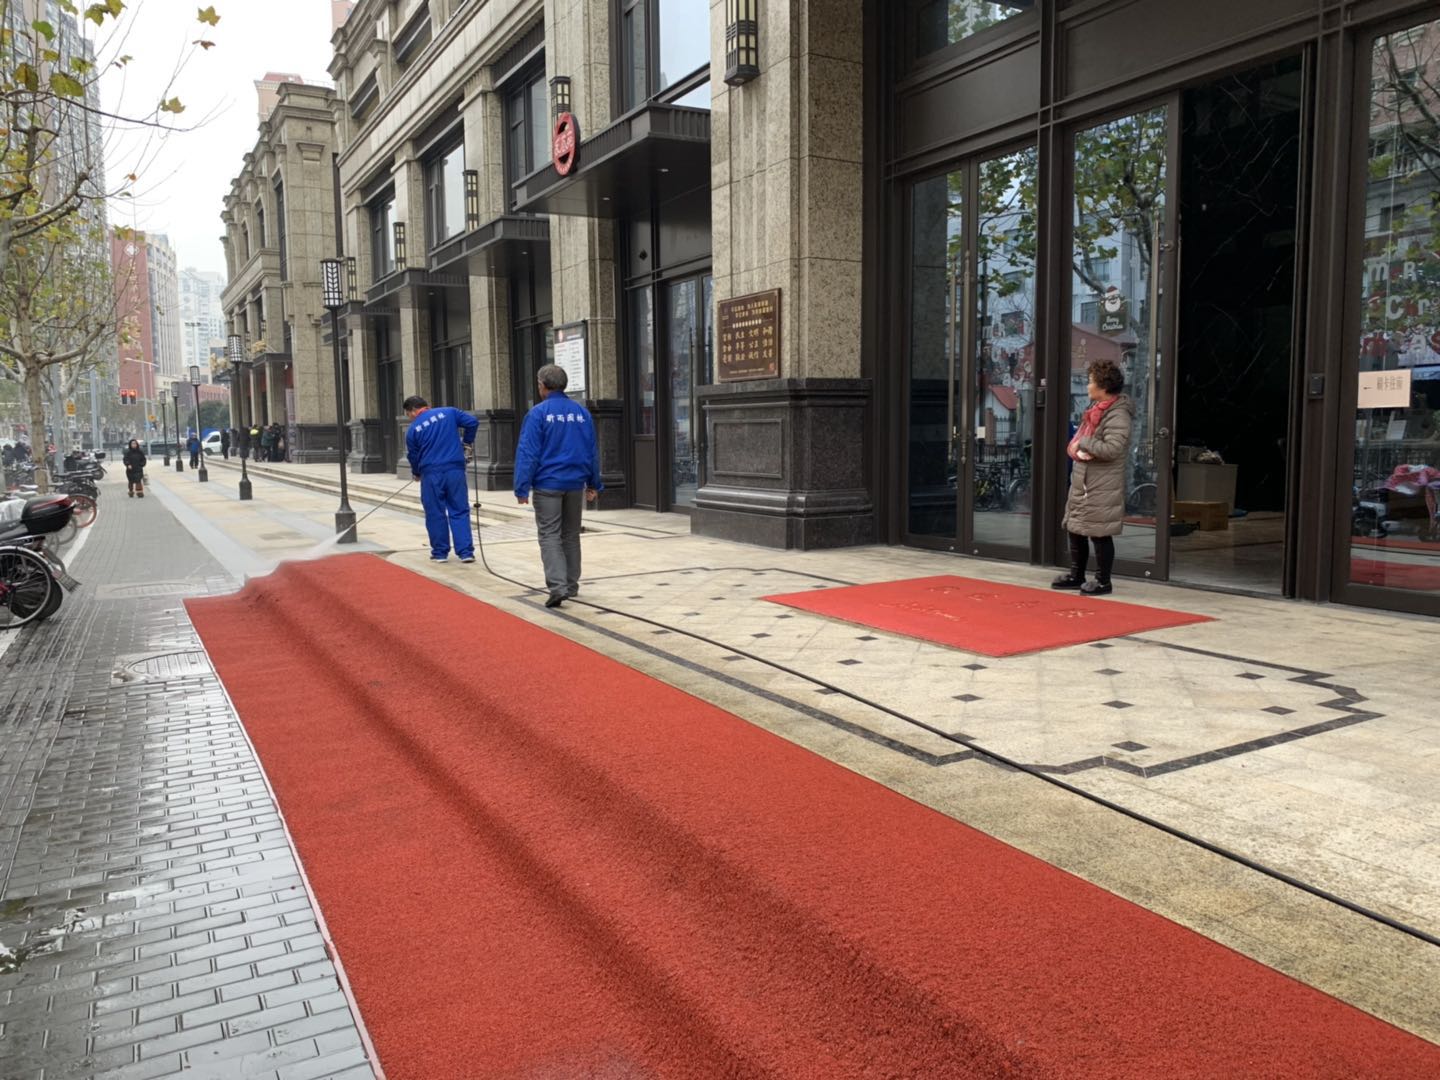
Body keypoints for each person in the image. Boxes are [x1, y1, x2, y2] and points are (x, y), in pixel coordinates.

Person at [513, 364, 603, 608]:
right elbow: (591, 451)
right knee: (571, 535)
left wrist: (521, 487)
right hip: (575, 484)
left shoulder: (538, 414)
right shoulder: (581, 413)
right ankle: (571, 586)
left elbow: (528, 453)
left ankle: (558, 587)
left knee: (550, 535)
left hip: (548, 484)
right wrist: (594, 483)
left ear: (542, 385)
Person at [1053, 358, 1134, 596]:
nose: (1088, 385)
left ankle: (1103, 581)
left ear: (1103, 385)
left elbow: (1112, 449)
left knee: (1100, 532)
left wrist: (1084, 443)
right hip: (1084, 481)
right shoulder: (1095, 410)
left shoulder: (1118, 414)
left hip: (1102, 483)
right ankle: (1076, 575)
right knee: (1076, 528)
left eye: (1091, 381)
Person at [404, 394, 479, 563]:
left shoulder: (413, 430)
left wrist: (417, 473)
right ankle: (466, 552)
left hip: (431, 474)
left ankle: (440, 553)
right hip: (455, 470)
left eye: (408, 415)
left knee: (435, 512)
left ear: (413, 411)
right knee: (459, 509)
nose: (410, 419)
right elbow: (473, 422)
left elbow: (413, 456)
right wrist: (467, 443)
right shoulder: (450, 412)